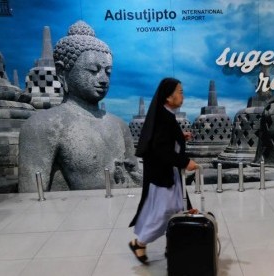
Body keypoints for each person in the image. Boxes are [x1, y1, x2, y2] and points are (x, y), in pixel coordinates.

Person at [18, 21, 141, 191]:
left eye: (108, 72)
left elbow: (134, 182)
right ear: (62, 72)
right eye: (93, 70)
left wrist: (136, 176)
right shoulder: (44, 125)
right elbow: (31, 200)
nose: (104, 79)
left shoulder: (119, 126)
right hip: (72, 215)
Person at [128, 77, 199, 265]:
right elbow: (161, 149)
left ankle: (172, 245)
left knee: (177, 208)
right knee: (164, 212)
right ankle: (139, 243)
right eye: (180, 92)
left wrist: (180, 136)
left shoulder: (165, 114)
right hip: (163, 174)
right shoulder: (163, 117)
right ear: (169, 96)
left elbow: (165, 138)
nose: (182, 96)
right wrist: (185, 162)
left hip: (168, 173)